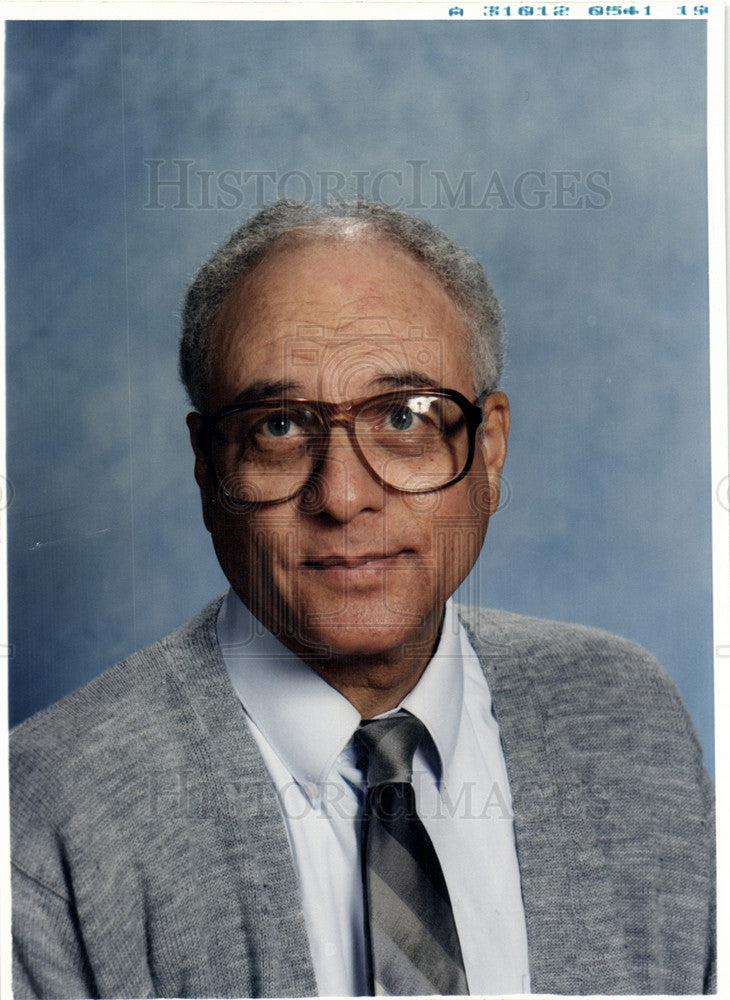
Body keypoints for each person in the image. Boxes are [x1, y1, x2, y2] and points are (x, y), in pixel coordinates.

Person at [10, 201, 715, 998]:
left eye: (404, 417)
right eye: (277, 425)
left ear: (488, 449)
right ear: (208, 469)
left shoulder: (628, 716)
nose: (343, 496)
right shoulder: (41, 826)